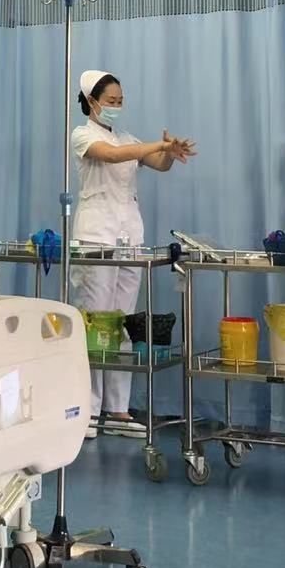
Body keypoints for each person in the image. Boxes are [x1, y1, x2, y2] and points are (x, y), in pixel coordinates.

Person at [72, 70, 196, 434]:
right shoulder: (83, 135)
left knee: (124, 322)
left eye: (120, 101)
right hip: (96, 239)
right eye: (110, 101)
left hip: (128, 238)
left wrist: (169, 153)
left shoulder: (127, 138)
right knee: (97, 325)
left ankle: (117, 409)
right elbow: (112, 156)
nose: (116, 106)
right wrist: (155, 146)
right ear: (92, 102)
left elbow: (158, 164)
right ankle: (88, 411)